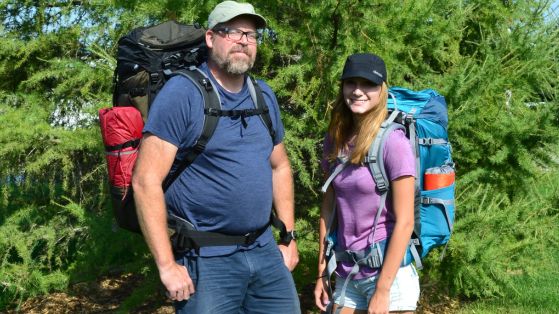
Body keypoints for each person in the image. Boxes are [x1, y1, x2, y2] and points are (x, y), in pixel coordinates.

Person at [132, 1, 300, 313]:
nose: (243, 42)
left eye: (251, 35)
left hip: (264, 251)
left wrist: (288, 236)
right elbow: (145, 181)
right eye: (233, 32)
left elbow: (280, 166)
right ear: (211, 38)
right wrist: (167, 265)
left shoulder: (262, 95)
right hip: (206, 259)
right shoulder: (183, 93)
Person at [314, 53, 420, 314]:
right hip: (347, 270)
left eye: (368, 84)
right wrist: (321, 270)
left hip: (388, 276)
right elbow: (329, 207)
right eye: (351, 83)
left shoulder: (394, 143)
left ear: (381, 89)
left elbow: (406, 222)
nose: (358, 91)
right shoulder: (335, 138)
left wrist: (382, 292)